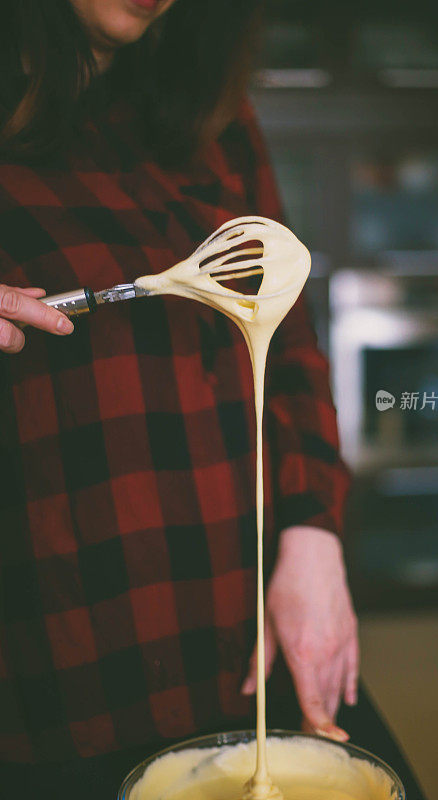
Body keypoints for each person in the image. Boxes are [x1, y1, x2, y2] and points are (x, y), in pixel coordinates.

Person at [0, 0, 358, 796]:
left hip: (236, 637)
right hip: (60, 675)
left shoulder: (212, 120)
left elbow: (290, 341)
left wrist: (311, 535)